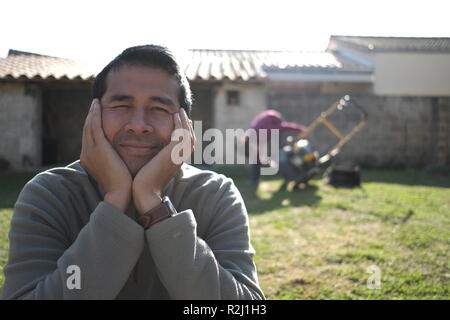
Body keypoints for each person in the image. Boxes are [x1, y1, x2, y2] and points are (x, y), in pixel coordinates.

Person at [1, 45, 265, 300]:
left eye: (159, 109)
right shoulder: (49, 194)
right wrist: (116, 201)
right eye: (121, 106)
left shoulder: (215, 193)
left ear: (184, 124)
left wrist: (153, 204)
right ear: (94, 114)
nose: (139, 126)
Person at [244, 109, 306, 189]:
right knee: (257, 160)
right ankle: (254, 181)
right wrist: (263, 161)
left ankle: (291, 175)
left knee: (281, 154)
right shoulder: (253, 135)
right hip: (268, 119)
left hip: (272, 118)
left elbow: (285, 126)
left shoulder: (269, 129)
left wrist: (300, 129)